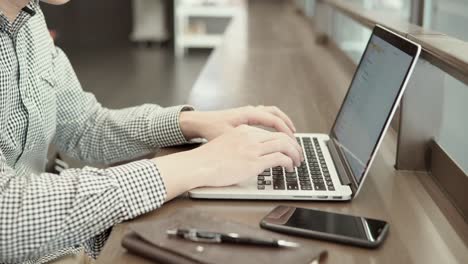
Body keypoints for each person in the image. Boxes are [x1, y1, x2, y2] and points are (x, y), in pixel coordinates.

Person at [0, 0, 303, 263]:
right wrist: (201, 164)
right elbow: (7, 217)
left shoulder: (31, 20)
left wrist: (189, 123)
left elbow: (86, 126)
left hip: (67, 242)